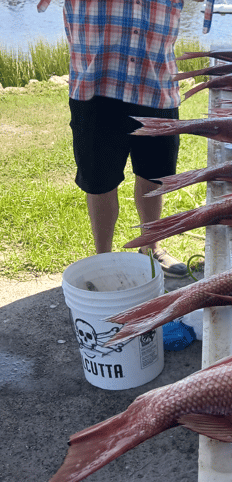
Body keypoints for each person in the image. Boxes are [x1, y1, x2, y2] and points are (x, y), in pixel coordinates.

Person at [41, 0, 202, 276]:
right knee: (100, 180)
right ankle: (102, 259)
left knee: (155, 173)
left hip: (156, 82)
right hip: (97, 82)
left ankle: (150, 246)